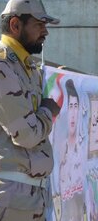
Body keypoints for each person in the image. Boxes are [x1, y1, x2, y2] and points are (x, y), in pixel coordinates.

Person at [0, 0, 61, 220]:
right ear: (15, 25)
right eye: (39, 24)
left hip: (25, 197)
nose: (45, 32)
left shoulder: (25, 68)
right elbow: (27, 136)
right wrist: (49, 111)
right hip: (5, 198)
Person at [59, 79, 85, 221]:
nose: (73, 113)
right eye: (70, 106)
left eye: (76, 106)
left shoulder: (82, 146)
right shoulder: (61, 147)